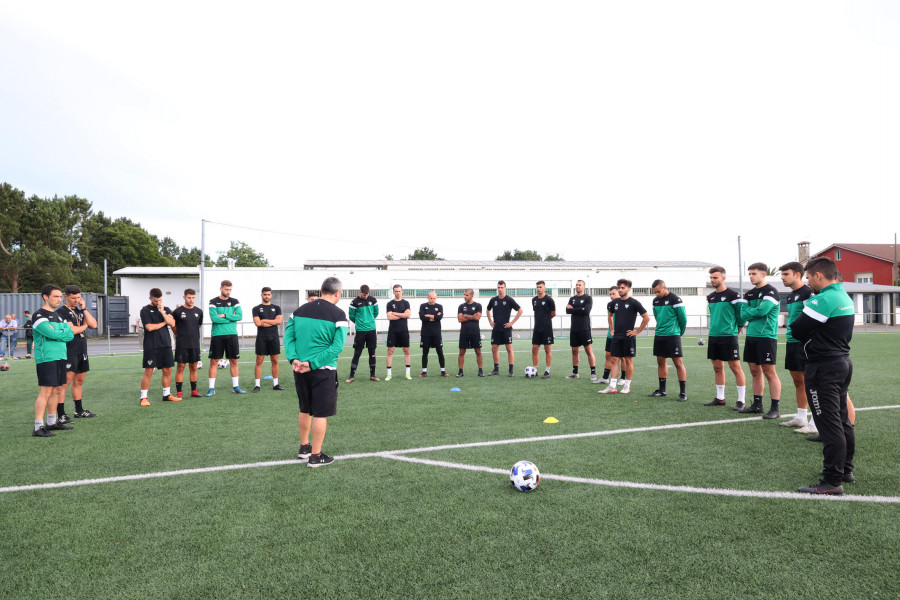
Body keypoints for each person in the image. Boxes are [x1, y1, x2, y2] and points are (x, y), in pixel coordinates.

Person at [791, 257, 855, 495]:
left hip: (824, 367)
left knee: (829, 424)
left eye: (808, 276)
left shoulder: (824, 298)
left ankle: (831, 481)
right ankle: (845, 470)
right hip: (841, 362)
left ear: (818, 276)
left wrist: (809, 327)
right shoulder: (843, 295)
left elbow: (797, 329)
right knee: (841, 419)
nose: (807, 281)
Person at [284, 276, 349, 468]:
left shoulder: (298, 311)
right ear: (338, 293)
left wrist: (294, 359)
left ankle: (304, 447)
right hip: (322, 369)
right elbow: (337, 347)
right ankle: (316, 456)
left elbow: (288, 337)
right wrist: (312, 363)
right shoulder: (339, 315)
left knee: (305, 408)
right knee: (320, 413)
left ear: (321, 291)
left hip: (299, 369)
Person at [30, 285, 75, 436]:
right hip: (46, 358)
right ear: (45, 296)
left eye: (60, 296)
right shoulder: (38, 315)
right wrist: (59, 332)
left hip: (61, 356)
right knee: (46, 391)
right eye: (55, 296)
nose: (59, 299)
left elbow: (70, 334)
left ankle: (51, 422)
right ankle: (38, 427)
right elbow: (50, 333)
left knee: (58, 389)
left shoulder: (60, 316)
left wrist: (57, 332)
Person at [739, 263, 782, 417]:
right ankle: (757, 405)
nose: (751, 276)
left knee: (770, 372)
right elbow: (742, 314)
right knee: (754, 370)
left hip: (766, 337)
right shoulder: (749, 294)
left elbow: (762, 311)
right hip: (751, 336)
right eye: (749, 274)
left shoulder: (771, 291)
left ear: (763, 275)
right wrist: (754, 312)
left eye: (754, 273)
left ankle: (775, 408)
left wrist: (753, 312)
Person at [702, 266, 748, 408]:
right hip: (714, 336)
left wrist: (736, 331)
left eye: (715, 277)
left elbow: (741, 317)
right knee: (717, 367)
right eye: (711, 277)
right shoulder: (710, 297)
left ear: (723, 278)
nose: (712, 280)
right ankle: (720, 398)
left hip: (729, 336)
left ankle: (741, 400)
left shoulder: (734, 296)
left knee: (735, 367)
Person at [779, 262, 817, 433]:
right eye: (782, 274)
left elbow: (813, 319)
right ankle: (801, 417)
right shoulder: (790, 296)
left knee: (811, 383)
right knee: (798, 381)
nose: (782, 277)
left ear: (797, 274)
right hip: (791, 341)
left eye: (786, 274)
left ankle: (815, 422)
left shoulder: (809, 293)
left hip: (804, 343)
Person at [598, 279, 649, 395]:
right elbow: (610, 316)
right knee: (614, 359)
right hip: (616, 337)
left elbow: (646, 318)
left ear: (628, 289)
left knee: (628, 360)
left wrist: (637, 331)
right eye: (619, 288)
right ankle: (612, 386)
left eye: (622, 288)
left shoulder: (634, 302)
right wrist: (611, 329)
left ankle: (627, 386)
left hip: (628, 337)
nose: (620, 290)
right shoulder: (614, 303)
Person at [56, 285, 98, 421]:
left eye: (78, 297)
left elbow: (94, 324)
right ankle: (61, 414)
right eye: (73, 298)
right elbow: (72, 330)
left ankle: (79, 410)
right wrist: (84, 326)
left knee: (79, 381)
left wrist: (84, 309)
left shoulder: (80, 311)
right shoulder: (61, 312)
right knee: (64, 383)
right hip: (69, 350)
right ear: (66, 297)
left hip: (81, 349)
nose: (76, 300)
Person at [139, 288, 181, 406]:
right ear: (150, 298)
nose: (158, 302)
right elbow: (149, 327)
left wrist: (162, 312)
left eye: (160, 300)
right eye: (156, 300)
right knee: (149, 371)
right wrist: (164, 323)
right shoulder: (145, 310)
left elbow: (172, 323)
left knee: (168, 370)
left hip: (166, 344)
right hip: (151, 345)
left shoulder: (166, 309)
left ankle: (166, 395)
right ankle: (143, 398)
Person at [648, 280, 688, 401]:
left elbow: (683, 319)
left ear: (665, 287)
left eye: (658, 291)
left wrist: (678, 333)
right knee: (660, 361)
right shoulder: (655, 301)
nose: (657, 294)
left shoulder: (675, 299)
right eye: (655, 292)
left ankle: (682, 393)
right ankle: (662, 390)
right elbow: (656, 316)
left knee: (678, 363)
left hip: (673, 335)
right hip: (659, 334)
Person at [206, 279, 245, 396]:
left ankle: (236, 386)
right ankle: (211, 388)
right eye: (226, 289)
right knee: (214, 361)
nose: (228, 292)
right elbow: (214, 319)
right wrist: (230, 317)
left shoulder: (235, 301)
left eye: (230, 289)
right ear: (221, 288)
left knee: (234, 360)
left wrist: (223, 315)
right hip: (217, 335)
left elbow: (239, 316)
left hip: (232, 334)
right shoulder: (213, 301)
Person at [172, 288, 204, 398]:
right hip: (182, 344)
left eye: (193, 298)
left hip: (194, 344)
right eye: (189, 297)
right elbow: (174, 327)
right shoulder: (177, 312)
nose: (191, 300)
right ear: (184, 297)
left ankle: (194, 391)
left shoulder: (199, 312)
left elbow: (198, 326)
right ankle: (179, 393)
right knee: (180, 367)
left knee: (193, 367)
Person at [252, 286, 285, 392]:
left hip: (274, 337)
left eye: (268, 294)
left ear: (271, 295)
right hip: (262, 338)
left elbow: (279, 322)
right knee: (259, 361)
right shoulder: (256, 308)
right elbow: (258, 323)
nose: (267, 296)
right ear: (261, 295)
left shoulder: (277, 308)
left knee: (275, 360)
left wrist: (264, 321)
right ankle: (257, 385)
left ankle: (276, 384)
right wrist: (272, 321)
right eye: (265, 294)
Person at [487, 280, 523, 377]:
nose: (500, 289)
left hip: (506, 328)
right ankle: (496, 369)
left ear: (505, 288)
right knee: (494, 348)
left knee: (509, 348)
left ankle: (511, 370)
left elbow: (520, 310)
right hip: (496, 328)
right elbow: (487, 309)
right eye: (498, 287)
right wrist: (490, 321)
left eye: (502, 287)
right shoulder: (493, 300)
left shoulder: (509, 300)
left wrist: (512, 322)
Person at [346, 284, 380, 382]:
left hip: (371, 330)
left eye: (367, 295)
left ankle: (372, 375)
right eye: (364, 295)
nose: (365, 296)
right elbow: (352, 316)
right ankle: (351, 376)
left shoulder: (373, 300)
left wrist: (369, 321)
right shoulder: (354, 302)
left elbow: (376, 313)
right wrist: (360, 322)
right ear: (360, 292)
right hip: (360, 331)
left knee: (372, 353)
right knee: (357, 353)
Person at [565, 280, 597, 380]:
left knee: (588, 350)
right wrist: (580, 309)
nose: (578, 286)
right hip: (574, 329)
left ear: (584, 287)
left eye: (580, 285)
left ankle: (593, 372)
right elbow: (567, 311)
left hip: (584, 328)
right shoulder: (572, 298)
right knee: (574, 351)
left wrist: (574, 309)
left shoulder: (588, 298)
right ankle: (575, 372)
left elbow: (587, 310)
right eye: (577, 285)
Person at [385, 284, 412, 380]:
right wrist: (402, 315)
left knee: (406, 351)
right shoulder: (389, 304)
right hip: (393, 331)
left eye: (399, 291)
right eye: (396, 291)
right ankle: (389, 374)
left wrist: (395, 313)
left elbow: (408, 315)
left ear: (402, 291)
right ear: (393, 292)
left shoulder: (406, 303)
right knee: (390, 351)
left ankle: (408, 373)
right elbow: (389, 317)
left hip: (404, 331)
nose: (398, 292)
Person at [419, 291, 449, 377]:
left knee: (440, 351)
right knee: (425, 352)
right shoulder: (423, 306)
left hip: (436, 333)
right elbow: (422, 317)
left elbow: (439, 317)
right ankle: (424, 372)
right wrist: (434, 317)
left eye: (434, 298)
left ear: (436, 298)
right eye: (431, 298)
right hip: (426, 333)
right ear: (428, 297)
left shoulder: (439, 306)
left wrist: (428, 315)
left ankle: (443, 371)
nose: (432, 300)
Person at [593, 287, 619, 385]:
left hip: (621, 335)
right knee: (608, 356)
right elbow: (610, 318)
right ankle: (605, 378)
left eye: (614, 294)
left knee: (623, 358)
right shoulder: (609, 305)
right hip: (610, 334)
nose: (611, 296)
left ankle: (623, 378)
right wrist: (611, 330)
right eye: (610, 294)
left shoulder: (624, 303)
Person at [530, 280, 556, 379]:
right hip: (537, 328)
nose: (538, 289)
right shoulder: (534, 300)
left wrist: (545, 321)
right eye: (537, 287)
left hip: (547, 329)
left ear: (544, 288)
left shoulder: (549, 300)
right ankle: (535, 369)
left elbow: (553, 313)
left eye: (540, 287)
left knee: (547, 349)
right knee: (534, 349)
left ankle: (547, 371)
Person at [457, 288, 485, 377]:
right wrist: (472, 316)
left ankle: (480, 371)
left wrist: (465, 315)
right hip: (464, 333)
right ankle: (460, 371)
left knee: (478, 351)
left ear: (472, 295)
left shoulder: (478, 305)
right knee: (462, 352)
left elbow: (477, 318)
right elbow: (460, 319)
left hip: (475, 332)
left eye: (467, 295)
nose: (465, 296)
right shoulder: (461, 306)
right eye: (464, 295)